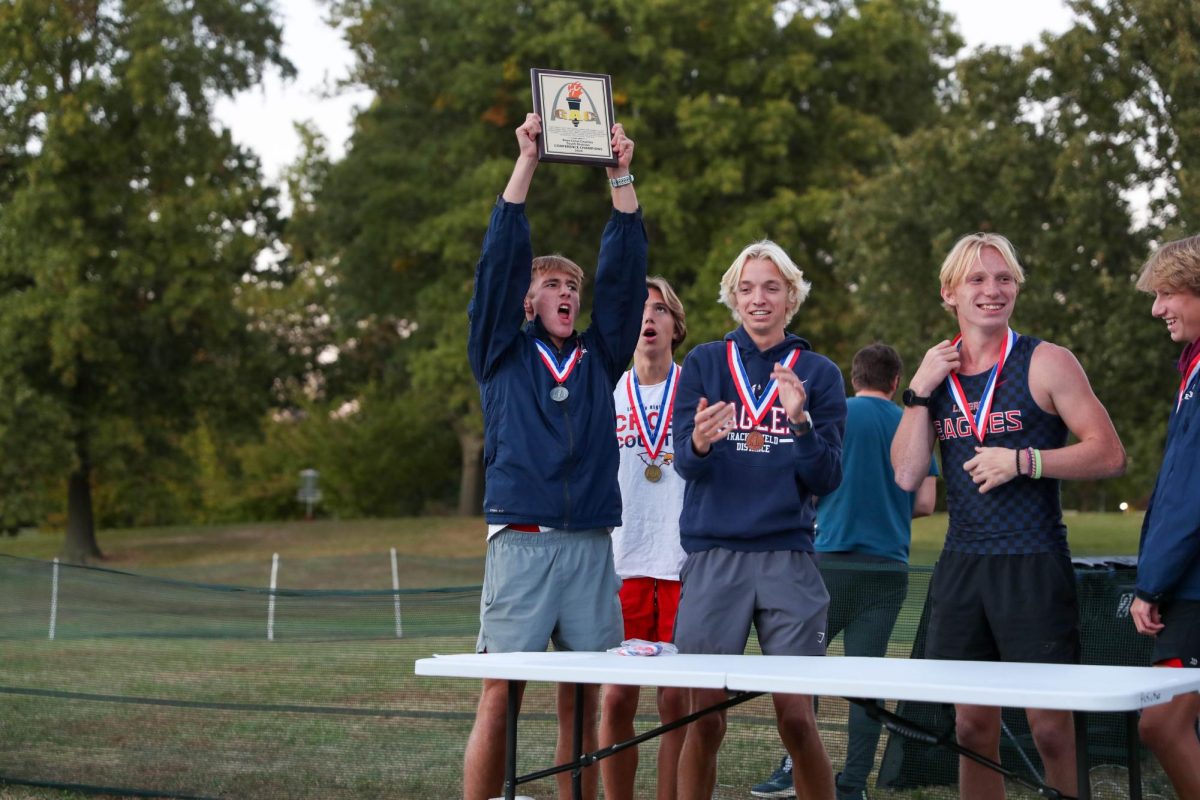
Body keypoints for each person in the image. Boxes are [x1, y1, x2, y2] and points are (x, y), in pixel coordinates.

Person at [890, 232, 1126, 800]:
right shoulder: (938, 373)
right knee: (971, 726)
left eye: (1004, 279)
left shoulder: (1047, 361)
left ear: (1017, 287)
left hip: (1032, 562)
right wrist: (919, 392)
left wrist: (1026, 459)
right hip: (963, 566)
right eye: (977, 279)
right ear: (949, 293)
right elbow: (905, 474)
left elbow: (1110, 453)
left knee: (1049, 727)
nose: (992, 291)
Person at [463, 112, 647, 800]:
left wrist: (620, 174)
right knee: (499, 693)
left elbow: (626, 277)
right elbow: (497, 261)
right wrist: (529, 162)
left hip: (589, 543)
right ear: (526, 299)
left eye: (573, 286)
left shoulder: (601, 357)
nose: (567, 292)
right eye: (551, 285)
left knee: (585, 696)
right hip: (524, 539)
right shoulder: (500, 353)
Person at [672, 240, 847, 800]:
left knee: (797, 718)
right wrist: (698, 441)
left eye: (772, 287)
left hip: (787, 558)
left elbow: (826, 478)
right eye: (746, 288)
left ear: (791, 296)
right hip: (714, 555)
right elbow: (683, 460)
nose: (759, 298)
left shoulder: (819, 373)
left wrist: (799, 423)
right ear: (732, 297)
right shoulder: (702, 362)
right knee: (703, 719)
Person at [751, 343, 939, 800]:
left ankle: (795, 769)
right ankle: (852, 784)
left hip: (826, 563)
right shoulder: (911, 423)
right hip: (887, 569)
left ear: (853, 378)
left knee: (801, 671)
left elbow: (806, 475)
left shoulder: (835, 413)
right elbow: (927, 502)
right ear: (896, 382)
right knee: (865, 683)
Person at [598, 277, 689, 800]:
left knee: (677, 701)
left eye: (659, 310)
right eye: (638, 310)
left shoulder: (695, 388)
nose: (647, 319)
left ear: (676, 325)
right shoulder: (608, 388)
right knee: (615, 700)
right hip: (623, 560)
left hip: (681, 564)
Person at [1129, 235, 1200, 798]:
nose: (1157, 309)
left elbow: (1188, 493)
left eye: (1168, 293)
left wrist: (1151, 583)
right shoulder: (1192, 366)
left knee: (1162, 722)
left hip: (1192, 588)